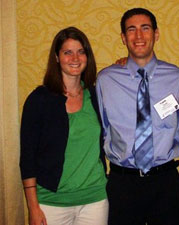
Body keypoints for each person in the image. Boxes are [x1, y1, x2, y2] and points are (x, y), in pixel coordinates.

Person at [96, 8, 179, 225]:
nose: (139, 36)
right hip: (123, 183)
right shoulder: (106, 80)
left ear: (156, 34)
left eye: (145, 28)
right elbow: (100, 129)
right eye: (132, 29)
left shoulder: (177, 78)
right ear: (123, 37)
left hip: (166, 183)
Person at [20, 27, 108, 225]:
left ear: (87, 56)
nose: (75, 58)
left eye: (81, 51)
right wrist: (32, 207)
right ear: (57, 57)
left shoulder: (95, 96)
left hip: (94, 200)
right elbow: (27, 158)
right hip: (51, 202)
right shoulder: (39, 100)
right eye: (67, 52)